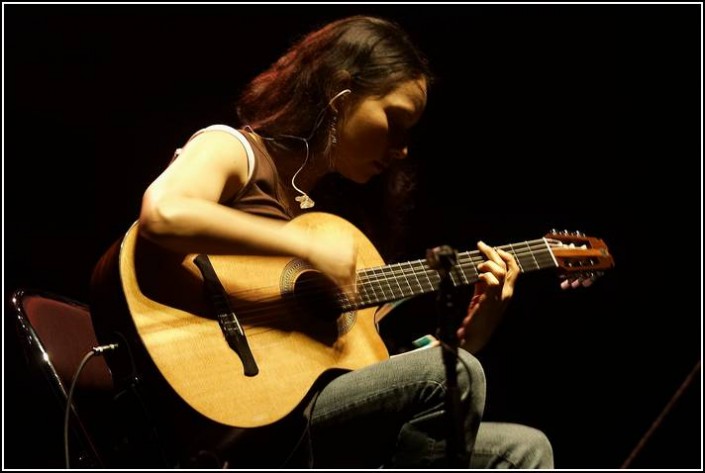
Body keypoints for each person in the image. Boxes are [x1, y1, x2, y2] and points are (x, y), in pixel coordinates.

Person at [91, 15, 554, 469]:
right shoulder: (235, 150)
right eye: (396, 120)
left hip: (315, 417)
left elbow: (378, 373)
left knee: (524, 448)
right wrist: (305, 250)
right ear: (340, 96)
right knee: (457, 377)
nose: (403, 147)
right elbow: (164, 214)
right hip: (248, 426)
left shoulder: (329, 216)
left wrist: (473, 334)